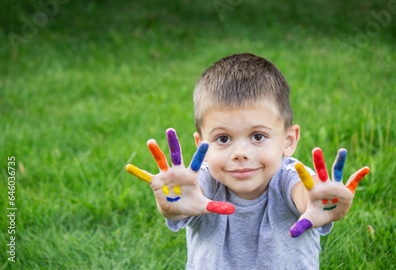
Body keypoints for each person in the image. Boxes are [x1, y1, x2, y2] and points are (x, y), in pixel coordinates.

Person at [125, 53, 370, 269]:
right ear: (201, 145)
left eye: (258, 136)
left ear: (288, 140)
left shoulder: (290, 176)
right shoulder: (206, 182)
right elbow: (188, 197)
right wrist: (174, 202)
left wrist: (317, 198)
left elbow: (304, 194)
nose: (240, 152)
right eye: (223, 138)